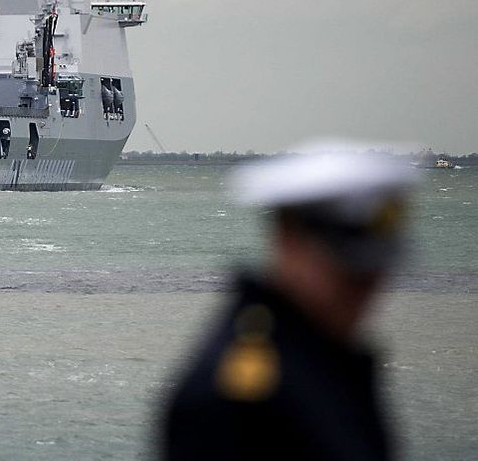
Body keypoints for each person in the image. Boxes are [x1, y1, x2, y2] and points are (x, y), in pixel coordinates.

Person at [162, 145, 416, 461]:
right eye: (346, 269)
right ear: (288, 237)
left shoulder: (323, 362)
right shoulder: (236, 392)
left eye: (371, 272)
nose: (363, 290)